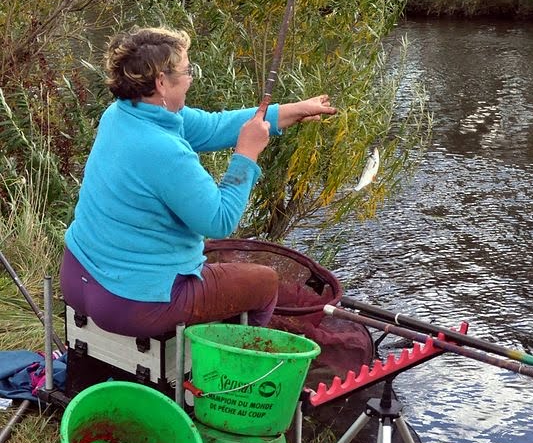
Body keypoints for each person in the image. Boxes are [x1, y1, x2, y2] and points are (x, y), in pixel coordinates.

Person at [60, 26, 337, 338]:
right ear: (162, 83)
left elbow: (212, 127)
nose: (191, 77)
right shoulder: (164, 151)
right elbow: (219, 221)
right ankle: (230, 369)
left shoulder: (123, 114)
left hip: (78, 276)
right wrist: (246, 154)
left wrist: (292, 111)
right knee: (264, 283)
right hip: (134, 303)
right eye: (186, 70)